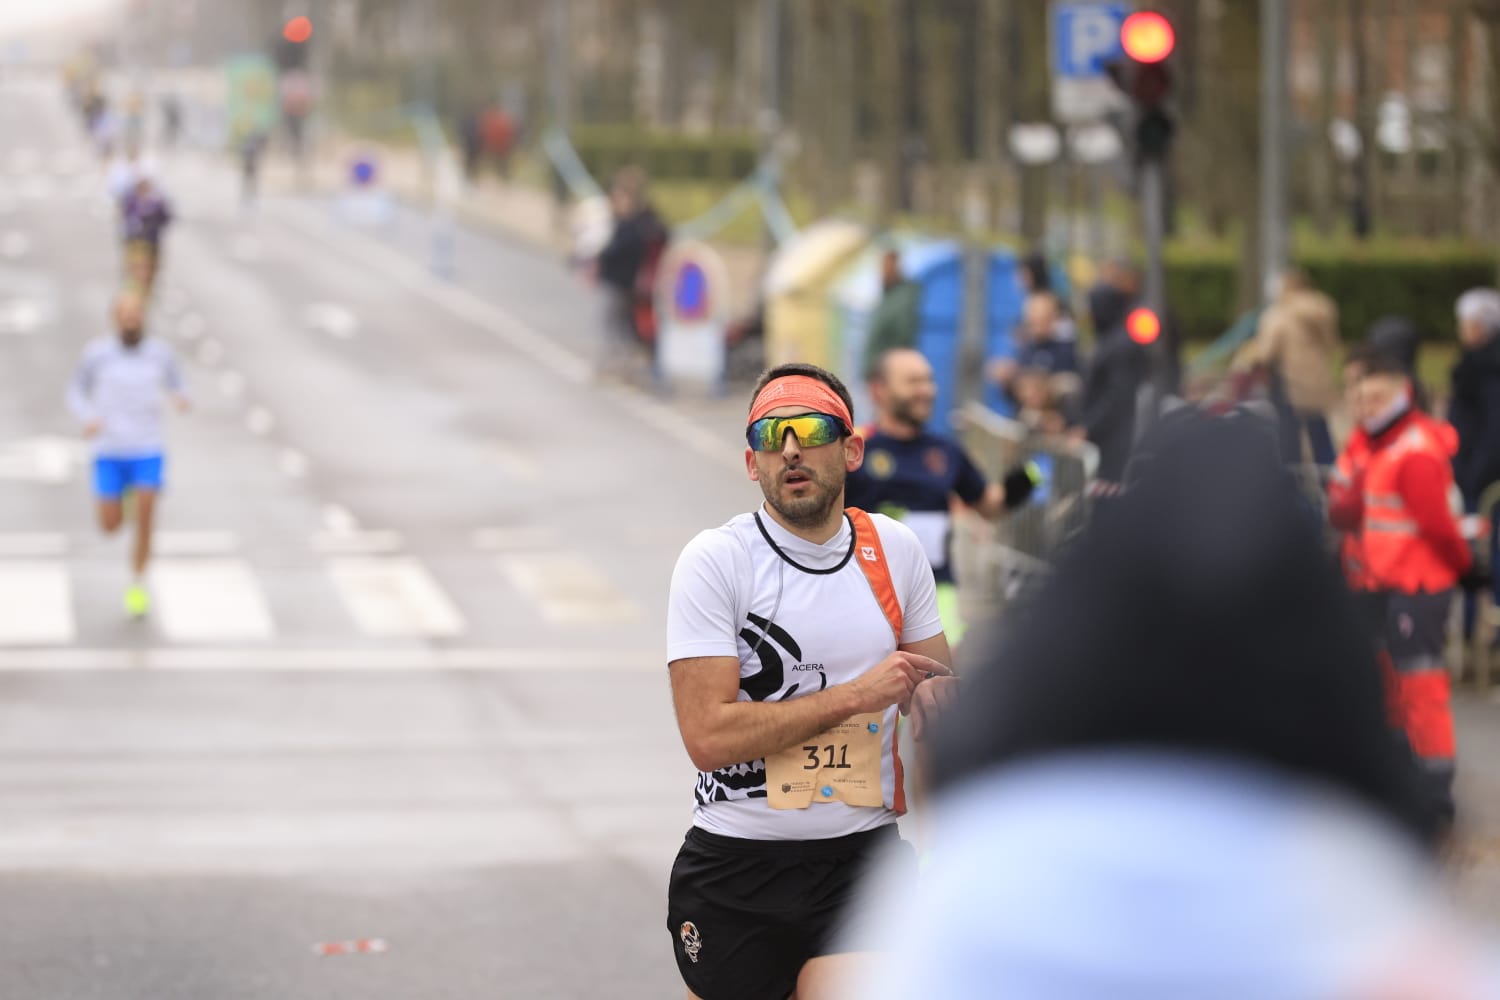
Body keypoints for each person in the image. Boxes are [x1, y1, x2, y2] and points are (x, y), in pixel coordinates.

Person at [839, 412, 1492, 1000]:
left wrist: (1034, 473)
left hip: (945, 635)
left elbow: (990, 509)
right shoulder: (1358, 903)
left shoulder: (979, 899)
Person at [665, 362, 957, 1000]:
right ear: (753, 463)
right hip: (738, 865)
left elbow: (939, 702)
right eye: (772, 435)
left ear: (852, 449)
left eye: (812, 428)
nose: (791, 448)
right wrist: (858, 695)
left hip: (862, 860)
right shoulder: (717, 562)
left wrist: (939, 697)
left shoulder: (894, 551)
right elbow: (707, 737)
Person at [1345, 353, 1474, 825]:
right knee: (1398, 685)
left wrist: (1463, 566)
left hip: (1417, 585)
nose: (1366, 408)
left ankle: (1435, 791)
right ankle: (1411, 779)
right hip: (1392, 582)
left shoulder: (1411, 452)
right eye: (1361, 399)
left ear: (1402, 396)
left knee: (1420, 686)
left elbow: (1437, 527)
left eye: (1376, 398)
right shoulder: (1388, 445)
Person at [847, 348, 1035, 641]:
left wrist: (1029, 475)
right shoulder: (855, 449)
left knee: (943, 664)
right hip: (866, 588)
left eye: (929, 380)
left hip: (936, 588)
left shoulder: (945, 451)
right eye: (913, 381)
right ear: (878, 390)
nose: (926, 390)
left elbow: (990, 506)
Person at [66, 291, 189, 618]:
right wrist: (88, 417)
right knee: (110, 526)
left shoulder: (159, 354)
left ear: (143, 317)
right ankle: (125, 498)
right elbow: (76, 390)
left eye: (136, 314)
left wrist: (180, 397)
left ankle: (138, 582)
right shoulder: (97, 354)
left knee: (147, 513)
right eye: (125, 314)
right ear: (115, 318)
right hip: (109, 450)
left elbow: (178, 382)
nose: (131, 320)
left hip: (147, 448)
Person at [1244, 268, 1340, 466]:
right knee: (1319, 432)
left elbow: (1266, 352)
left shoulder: (1279, 314)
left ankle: (1292, 479)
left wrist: (1247, 359)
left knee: (1289, 438)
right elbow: (1332, 344)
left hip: (1289, 383)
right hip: (1317, 379)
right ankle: (1330, 475)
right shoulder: (1323, 308)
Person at [595, 166, 668, 385]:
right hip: (628, 282)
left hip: (623, 281)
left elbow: (619, 250)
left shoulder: (634, 226)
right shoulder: (643, 223)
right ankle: (623, 362)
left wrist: (602, 257)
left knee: (616, 323)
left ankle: (621, 363)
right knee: (622, 323)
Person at [1079, 269, 1148, 487]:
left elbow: (1117, 396)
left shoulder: (1119, 346)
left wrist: (1090, 427)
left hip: (1113, 442)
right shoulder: (1109, 340)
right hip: (1105, 439)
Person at [861, 249, 921, 380]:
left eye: (887, 266)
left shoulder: (901, 298)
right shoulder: (887, 296)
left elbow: (902, 335)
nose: (883, 272)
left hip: (890, 373)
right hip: (878, 374)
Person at [120, 174, 172, 297]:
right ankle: (133, 295)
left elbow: (165, 219)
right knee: (136, 271)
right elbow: (127, 216)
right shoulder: (132, 201)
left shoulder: (156, 203)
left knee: (148, 271)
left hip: (150, 241)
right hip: (136, 242)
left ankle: (141, 294)